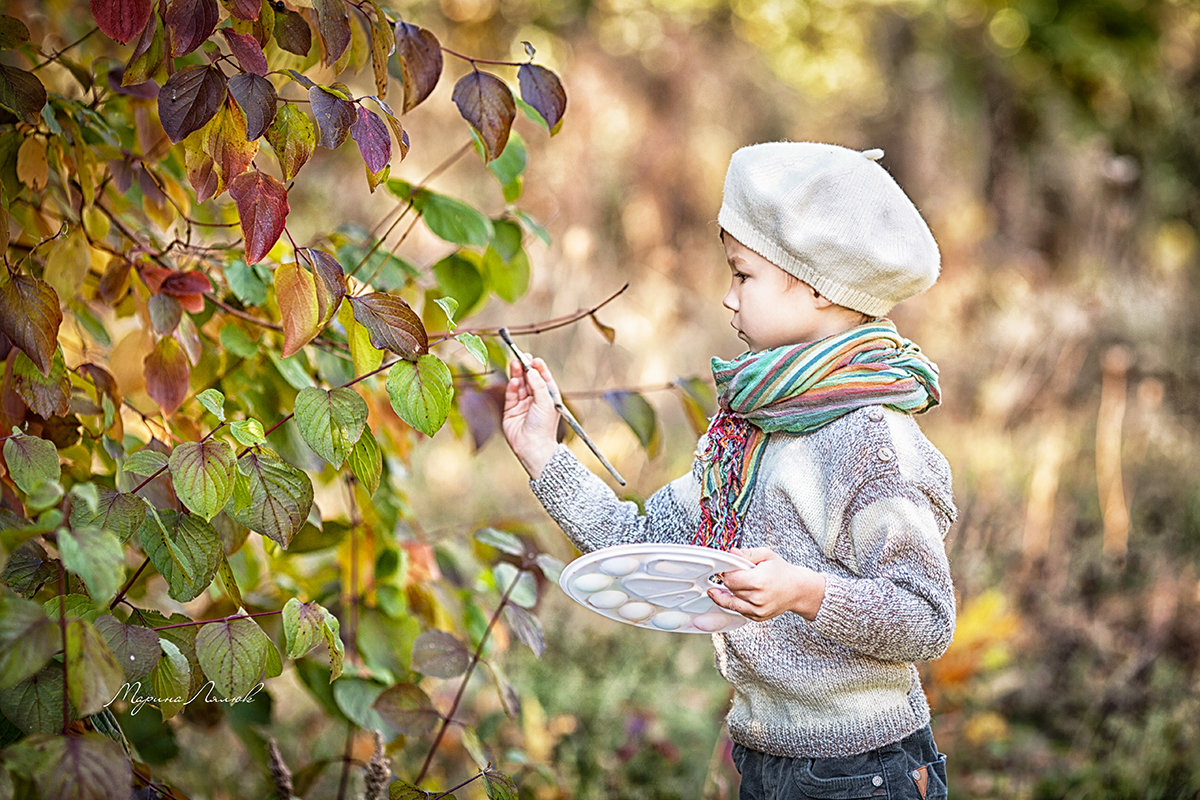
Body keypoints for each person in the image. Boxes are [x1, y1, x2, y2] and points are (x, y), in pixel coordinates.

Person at [502, 141, 956, 800]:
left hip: (864, 770)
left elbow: (925, 617)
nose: (727, 297)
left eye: (742, 275)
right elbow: (639, 548)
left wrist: (804, 591)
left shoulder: (874, 442)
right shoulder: (748, 433)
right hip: (764, 761)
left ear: (818, 288)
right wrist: (544, 453)